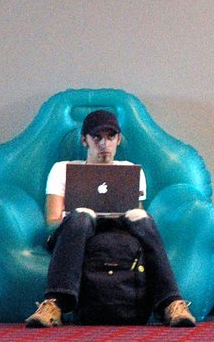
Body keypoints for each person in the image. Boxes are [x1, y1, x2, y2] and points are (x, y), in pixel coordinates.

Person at [24, 109, 196, 328]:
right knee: (81, 217)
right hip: (76, 231)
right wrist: (83, 214)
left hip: (117, 231)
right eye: (97, 137)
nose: (104, 144)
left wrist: (122, 214)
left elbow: (137, 214)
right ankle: (54, 304)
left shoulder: (130, 171)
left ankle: (172, 303)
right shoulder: (61, 170)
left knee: (143, 219)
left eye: (110, 137)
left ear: (118, 140)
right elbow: (52, 221)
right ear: (84, 140)